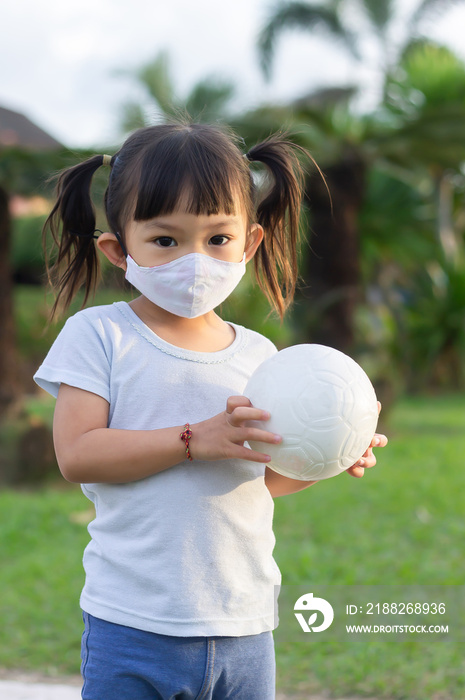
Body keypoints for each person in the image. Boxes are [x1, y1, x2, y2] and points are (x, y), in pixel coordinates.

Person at [34, 120, 387, 700]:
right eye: (166, 241)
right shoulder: (100, 335)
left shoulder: (260, 357)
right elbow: (78, 455)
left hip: (245, 625)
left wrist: (324, 454)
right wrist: (194, 437)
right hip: (134, 623)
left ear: (250, 242)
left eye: (217, 239)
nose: (194, 259)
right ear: (118, 250)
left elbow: (257, 480)